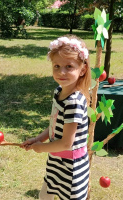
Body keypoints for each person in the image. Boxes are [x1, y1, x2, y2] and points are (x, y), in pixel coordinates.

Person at [21, 35, 91, 200]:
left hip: (71, 168)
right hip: (56, 161)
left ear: (82, 70)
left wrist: (41, 148)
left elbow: (67, 143)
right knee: (45, 196)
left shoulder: (74, 102)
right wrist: (38, 139)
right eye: (57, 66)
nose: (62, 72)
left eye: (69, 66)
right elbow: (54, 124)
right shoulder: (59, 91)